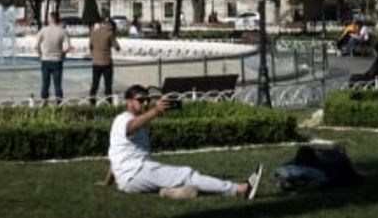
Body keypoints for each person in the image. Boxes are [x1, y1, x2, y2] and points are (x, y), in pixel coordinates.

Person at [108, 84, 264, 198]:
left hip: (132, 177)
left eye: (147, 100)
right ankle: (240, 189)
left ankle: (170, 193)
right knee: (185, 173)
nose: (145, 103)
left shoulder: (135, 122)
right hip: (137, 173)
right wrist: (156, 110)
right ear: (128, 102)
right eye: (140, 100)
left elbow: (116, 154)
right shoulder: (124, 119)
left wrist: (108, 180)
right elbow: (131, 127)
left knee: (179, 179)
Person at [35, 11, 71, 103]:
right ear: (57, 19)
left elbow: (36, 46)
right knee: (58, 85)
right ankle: (59, 104)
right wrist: (63, 54)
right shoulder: (62, 31)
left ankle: (44, 103)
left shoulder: (43, 30)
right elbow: (68, 47)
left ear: (50, 19)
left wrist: (40, 55)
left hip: (45, 60)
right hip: (57, 60)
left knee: (45, 84)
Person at [89, 16, 121, 100]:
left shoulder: (94, 33)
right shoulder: (110, 34)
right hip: (106, 62)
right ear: (110, 25)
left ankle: (92, 101)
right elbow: (117, 47)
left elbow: (90, 46)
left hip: (96, 62)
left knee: (95, 84)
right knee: (108, 85)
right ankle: (108, 102)